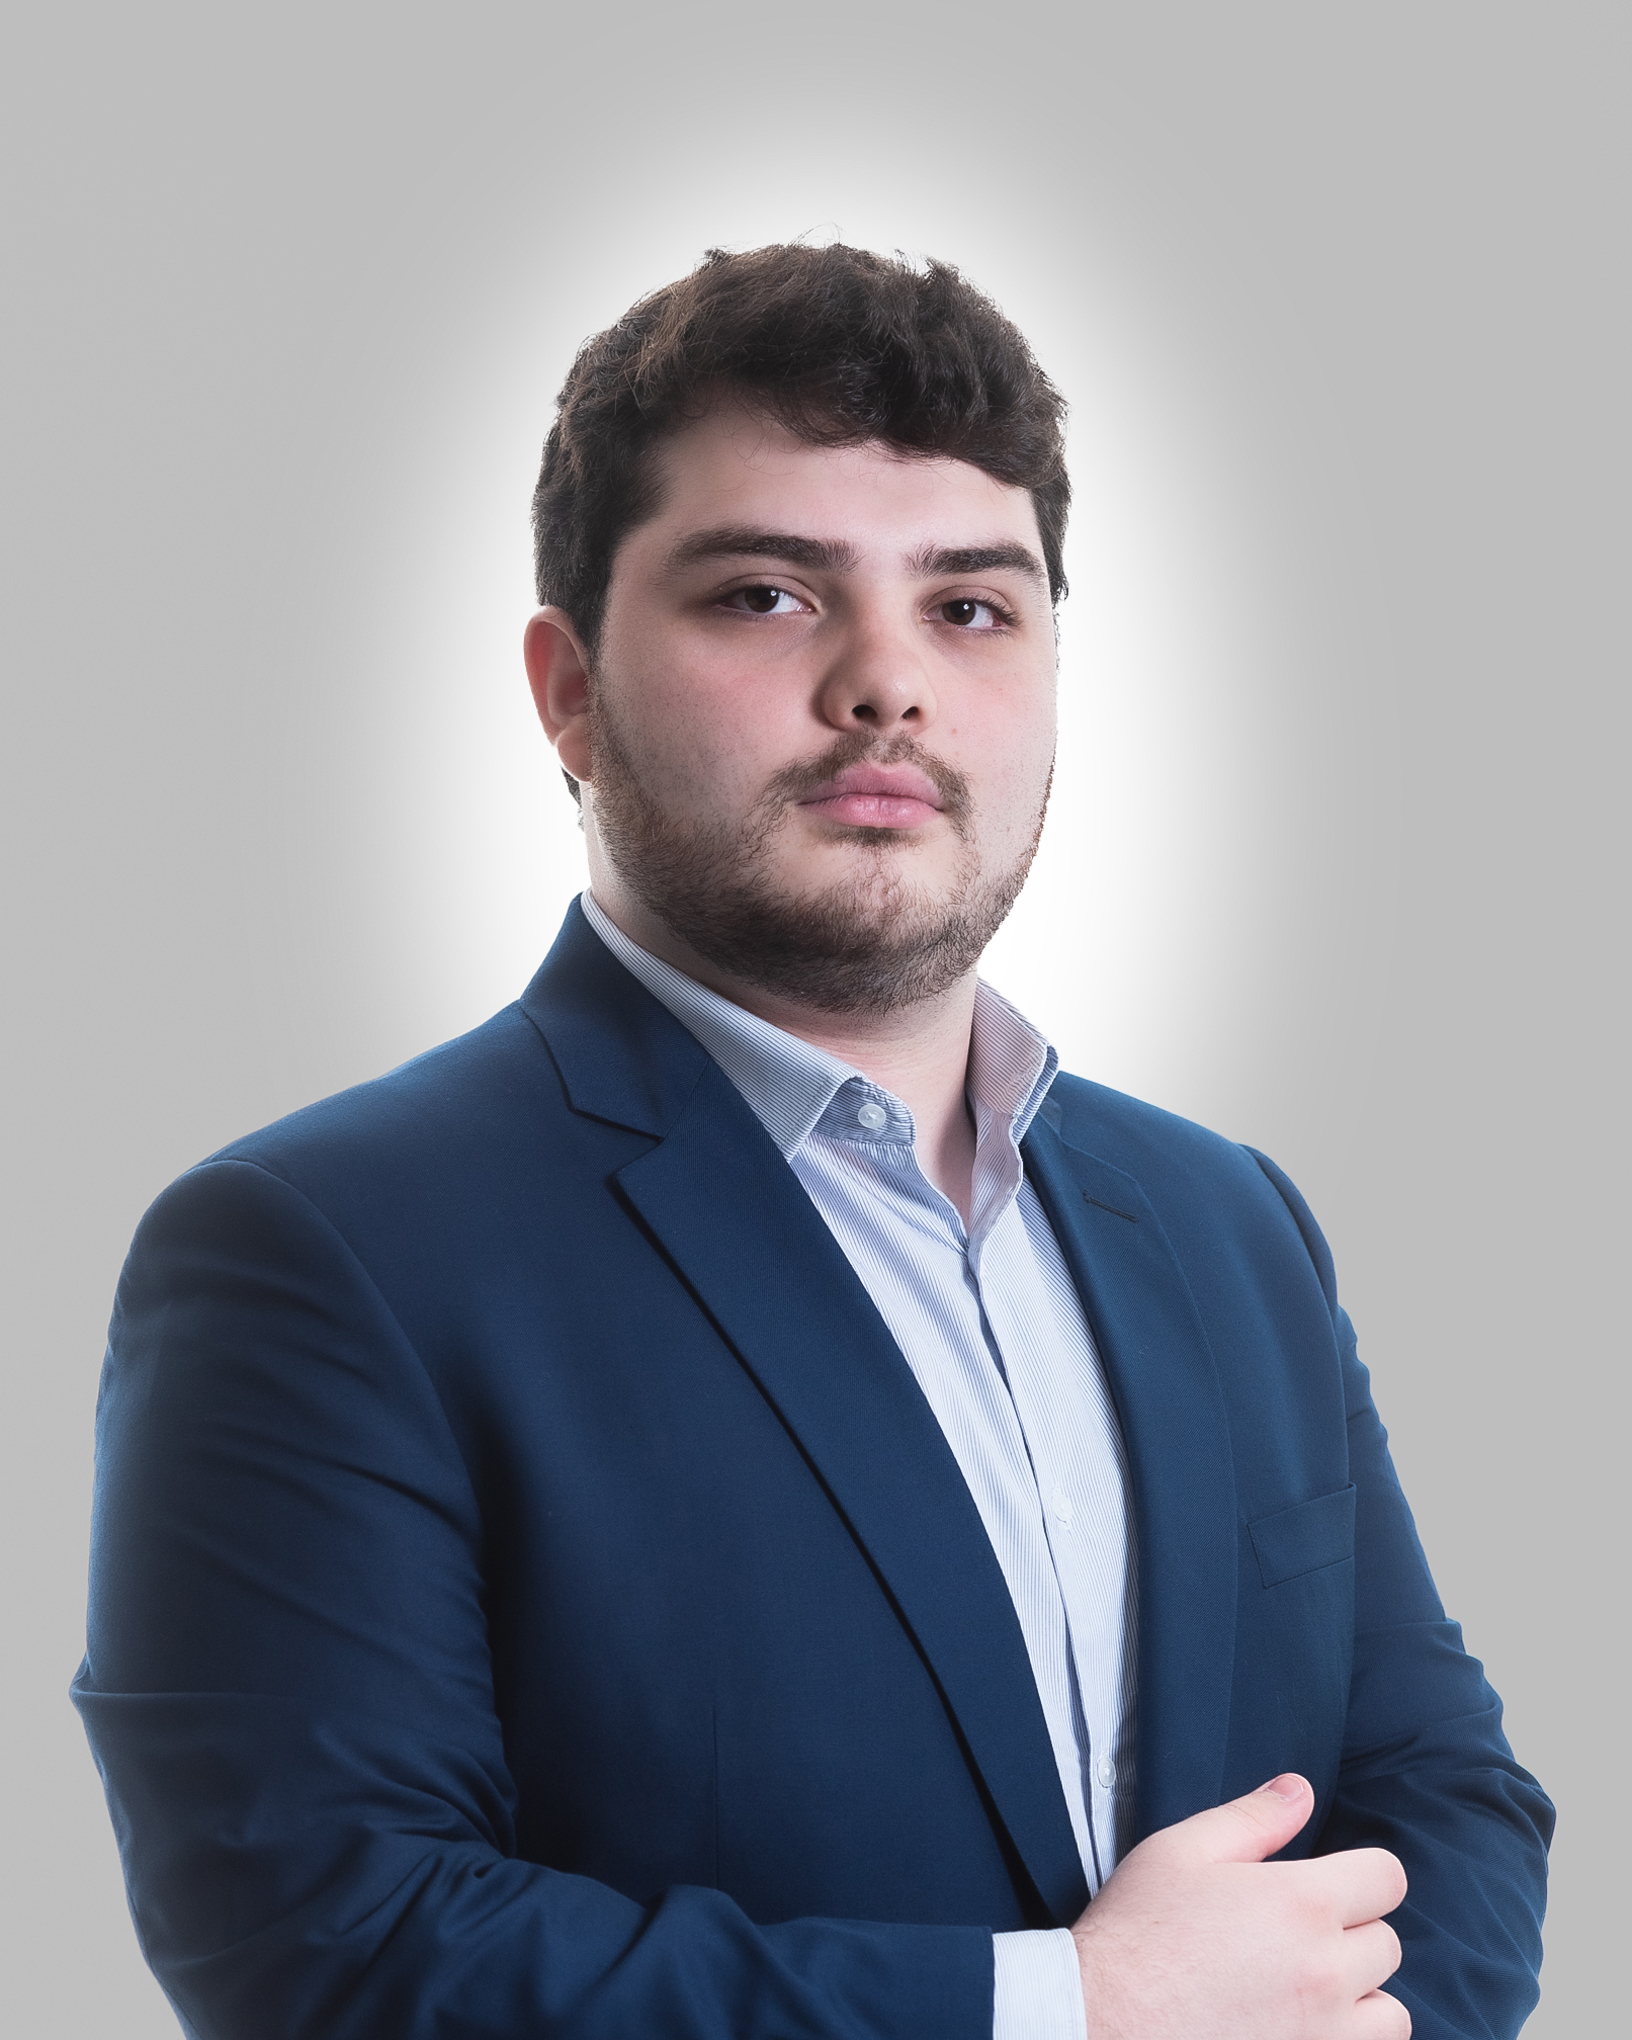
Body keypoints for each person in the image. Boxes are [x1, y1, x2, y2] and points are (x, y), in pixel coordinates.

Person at [73, 244, 1552, 2040]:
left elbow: (1446, 1797)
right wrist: (1071, 2009)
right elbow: (338, 1946)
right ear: (568, 689)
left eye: (972, 607)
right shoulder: (317, 1251)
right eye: (767, 595)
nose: (886, 685)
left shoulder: (1228, 1219)